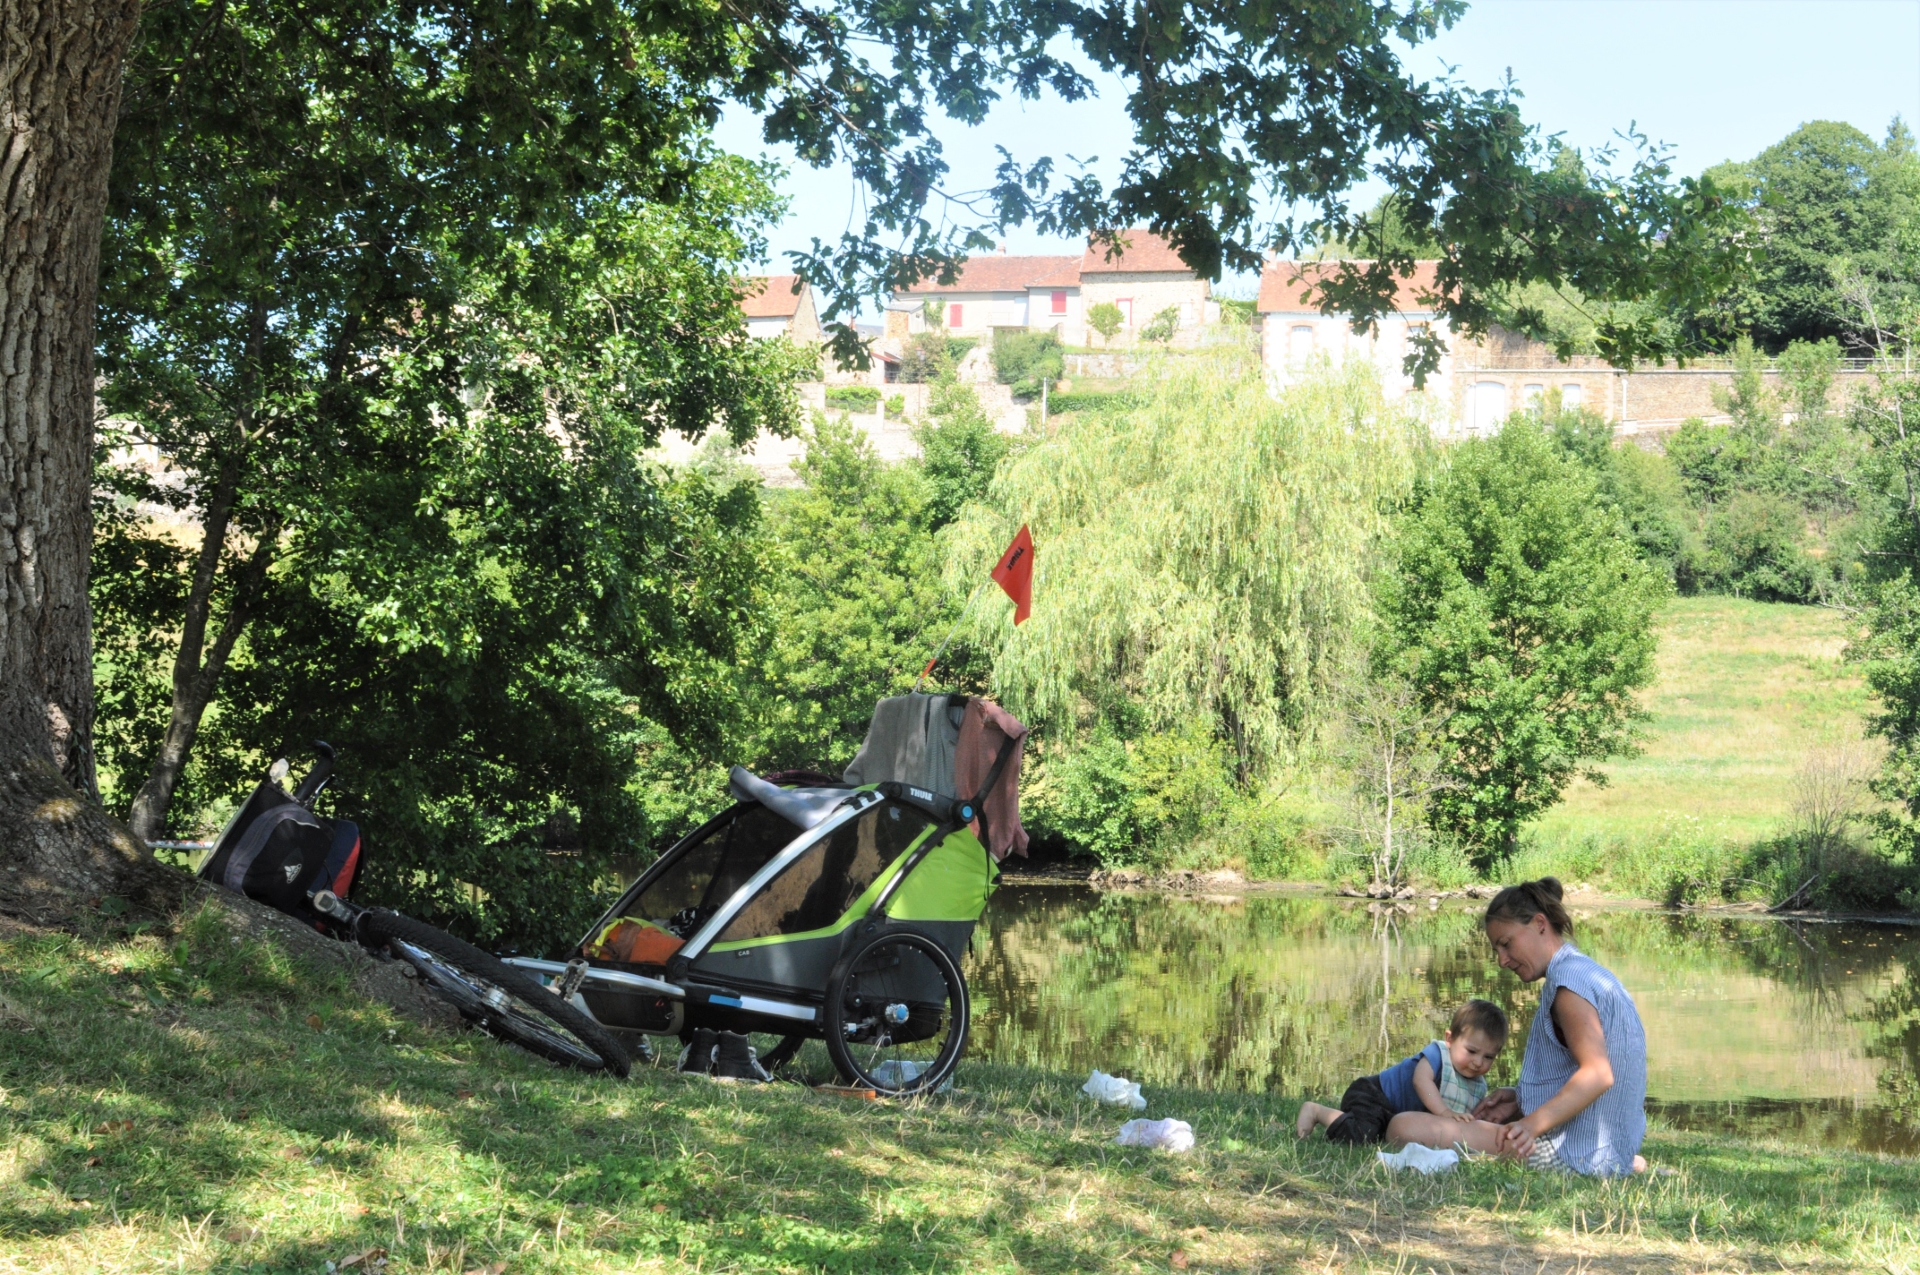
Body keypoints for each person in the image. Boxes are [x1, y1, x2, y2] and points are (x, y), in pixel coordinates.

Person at [1385, 878, 1649, 1175]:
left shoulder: (1567, 987)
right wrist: (1521, 1099)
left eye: (1506, 944)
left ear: (1539, 923)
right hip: (1609, 1150)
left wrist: (1528, 1125)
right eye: (1497, 949)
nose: (1501, 960)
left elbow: (1598, 1074)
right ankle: (1625, 1165)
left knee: (1402, 1126)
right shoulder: (1590, 973)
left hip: (1573, 1156)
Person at [1295, 999, 1510, 1144]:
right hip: (1374, 1095)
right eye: (1471, 1051)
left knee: (1384, 1138)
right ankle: (1316, 1111)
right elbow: (1421, 1081)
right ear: (1450, 1039)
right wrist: (1444, 1113)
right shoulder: (1437, 1055)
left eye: (1488, 1057)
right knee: (1363, 1135)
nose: (1478, 1063)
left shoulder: (1478, 1086)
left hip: (1397, 1117)